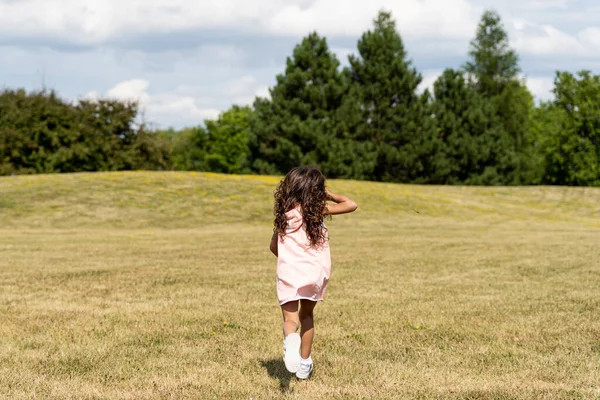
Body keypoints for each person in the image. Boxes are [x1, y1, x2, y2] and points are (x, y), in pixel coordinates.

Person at [269, 166, 357, 379]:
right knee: (307, 315)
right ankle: (304, 363)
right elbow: (351, 204)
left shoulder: (285, 216)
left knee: (290, 320)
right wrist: (328, 195)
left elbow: (273, 247)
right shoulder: (317, 211)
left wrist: (290, 257)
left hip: (290, 272)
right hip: (314, 274)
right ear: (316, 191)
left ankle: (291, 341)